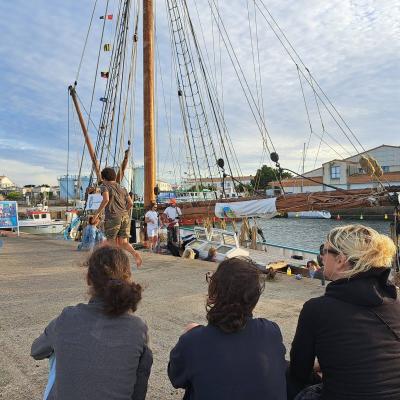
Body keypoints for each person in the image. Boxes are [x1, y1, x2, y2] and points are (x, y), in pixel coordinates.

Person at [288, 224, 400, 400]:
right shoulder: (396, 300)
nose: (321, 257)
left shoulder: (316, 309)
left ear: (340, 260)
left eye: (324, 251)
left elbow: (299, 371)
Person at [31, 246, 153, 400]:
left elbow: (36, 351)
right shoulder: (138, 327)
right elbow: (140, 385)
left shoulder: (67, 318)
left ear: (89, 278)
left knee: (57, 354)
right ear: (127, 278)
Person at [168, 257, 287, 400]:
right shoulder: (271, 332)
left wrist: (191, 335)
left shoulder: (193, 341)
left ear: (215, 292)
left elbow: (176, 378)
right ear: (254, 299)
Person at [93, 167, 142, 267]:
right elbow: (130, 203)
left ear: (104, 178)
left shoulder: (104, 186)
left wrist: (96, 214)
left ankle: (113, 263)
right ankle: (135, 253)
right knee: (123, 242)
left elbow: (106, 199)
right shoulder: (122, 188)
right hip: (125, 217)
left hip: (112, 218)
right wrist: (123, 211)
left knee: (111, 242)